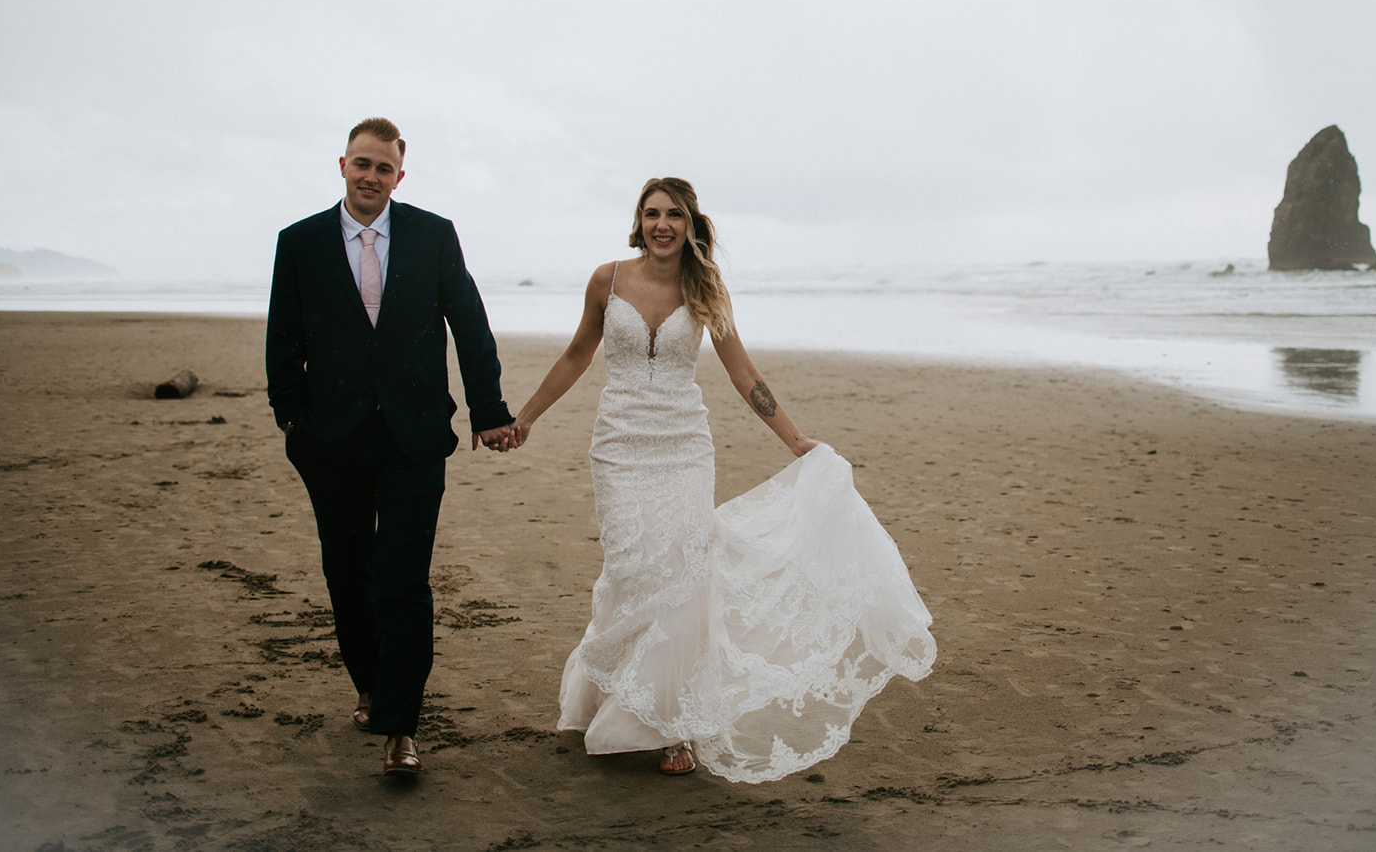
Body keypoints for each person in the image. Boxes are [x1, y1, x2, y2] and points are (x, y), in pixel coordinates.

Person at [510, 177, 936, 782]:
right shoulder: (607, 280)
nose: (662, 224)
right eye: (652, 214)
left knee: (682, 576)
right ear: (639, 222)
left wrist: (795, 440)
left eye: (674, 215)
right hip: (620, 447)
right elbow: (578, 354)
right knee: (633, 571)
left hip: (685, 447)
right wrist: (525, 419)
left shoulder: (705, 288)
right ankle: (613, 695)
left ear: (690, 224)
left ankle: (670, 725)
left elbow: (742, 373)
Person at [266, 116, 517, 776]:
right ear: (342, 166)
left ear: (398, 176)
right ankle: (371, 685)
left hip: (414, 438)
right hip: (331, 439)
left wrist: (489, 410)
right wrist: (291, 420)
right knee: (346, 572)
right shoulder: (300, 243)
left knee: (403, 580)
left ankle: (401, 727)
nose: (371, 176)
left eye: (383, 168)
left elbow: (469, 323)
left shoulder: (432, 236)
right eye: (361, 164)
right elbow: (283, 337)